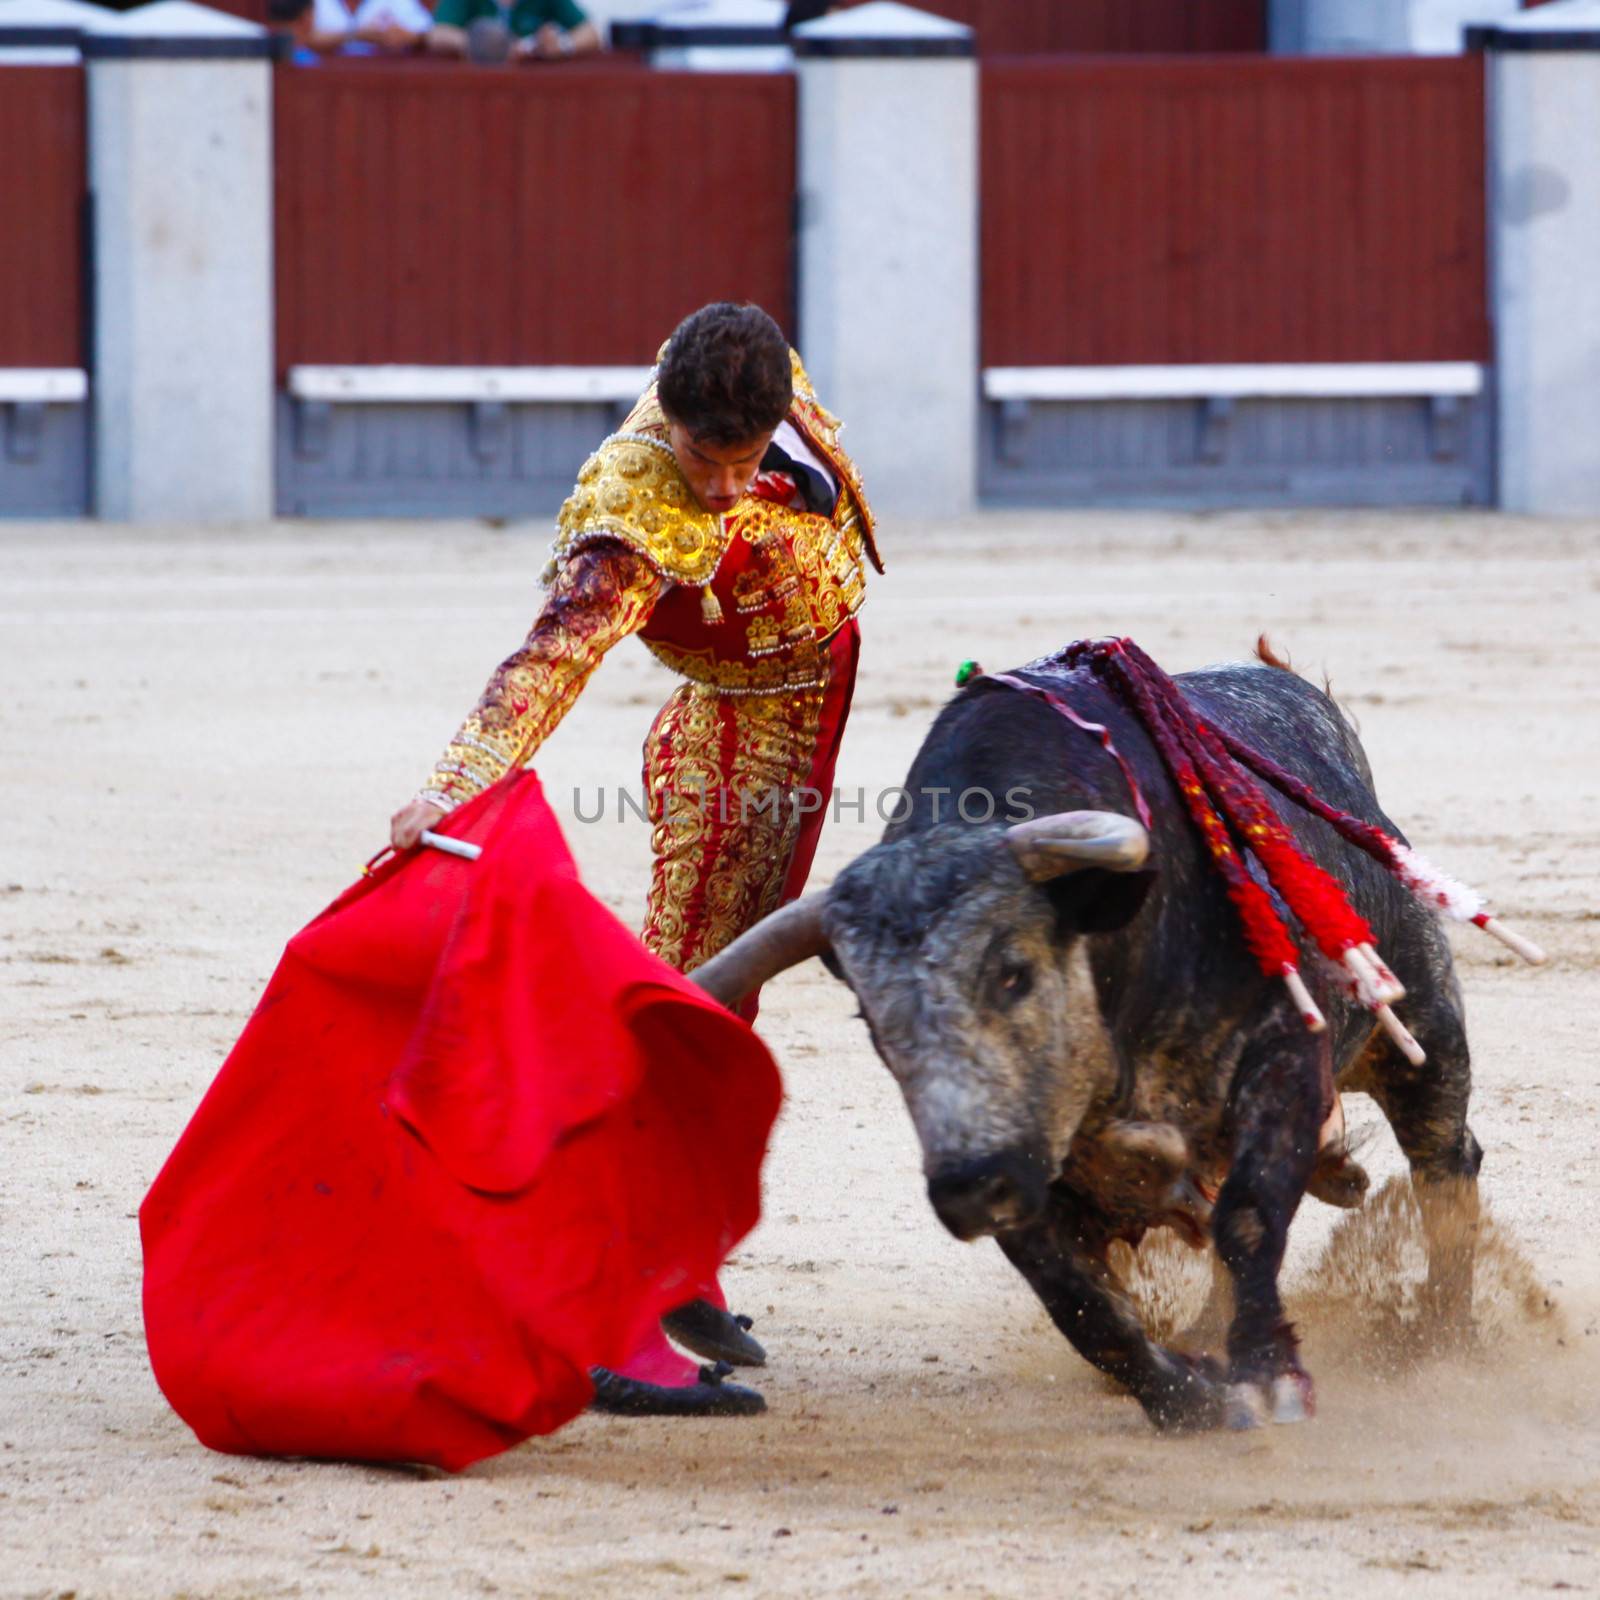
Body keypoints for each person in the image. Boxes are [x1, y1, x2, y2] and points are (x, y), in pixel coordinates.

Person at [390, 302, 882, 1415]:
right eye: (705, 463)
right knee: (678, 1024)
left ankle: (674, 1269)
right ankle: (594, 1316)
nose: (717, 489)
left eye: (742, 462)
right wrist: (455, 784)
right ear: (668, 418)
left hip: (791, 720)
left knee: (707, 1017)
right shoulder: (634, 509)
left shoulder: (751, 366)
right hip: (747, 741)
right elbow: (551, 659)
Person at [427, 0, 602, 59]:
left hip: (534, 91)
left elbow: (590, 33)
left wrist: (563, 44)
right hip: (474, 90)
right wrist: (489, 46)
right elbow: (438, 34)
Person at [305, 0, 437, 54]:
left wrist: (405, 37)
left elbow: (428, 34)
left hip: (383, 87)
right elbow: (301, 38)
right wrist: (359, 34)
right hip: (323, 86)